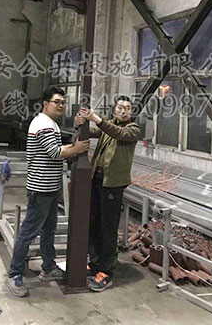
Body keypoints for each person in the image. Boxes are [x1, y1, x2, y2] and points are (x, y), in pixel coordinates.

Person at [6, 86, 90, 297]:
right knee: (28, 232)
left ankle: (48, 267)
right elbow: (54, 152)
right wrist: (76, 149)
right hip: (41, 188)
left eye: (63, 102)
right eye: (56, 102)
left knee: (48, 229)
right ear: (45, 104)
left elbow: (56, 149)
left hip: (51, 188)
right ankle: (14, 275)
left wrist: (72, 147)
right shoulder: (43, 124)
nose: (60, 105)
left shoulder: (51, 123)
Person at [74, 95, 140, 292]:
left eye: (127, 108)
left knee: (108, 227)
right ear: (114, 110)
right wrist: (80, 122)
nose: (123, 110)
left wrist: (95, 118)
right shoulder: (108, 126)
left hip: (113, 185)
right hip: (97, 180)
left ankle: (106, 271)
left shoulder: (133, 129)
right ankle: (95, 263)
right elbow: (92, 131)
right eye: (120, 107)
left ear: (131, 112)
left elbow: (117, 132)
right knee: (94, 223)